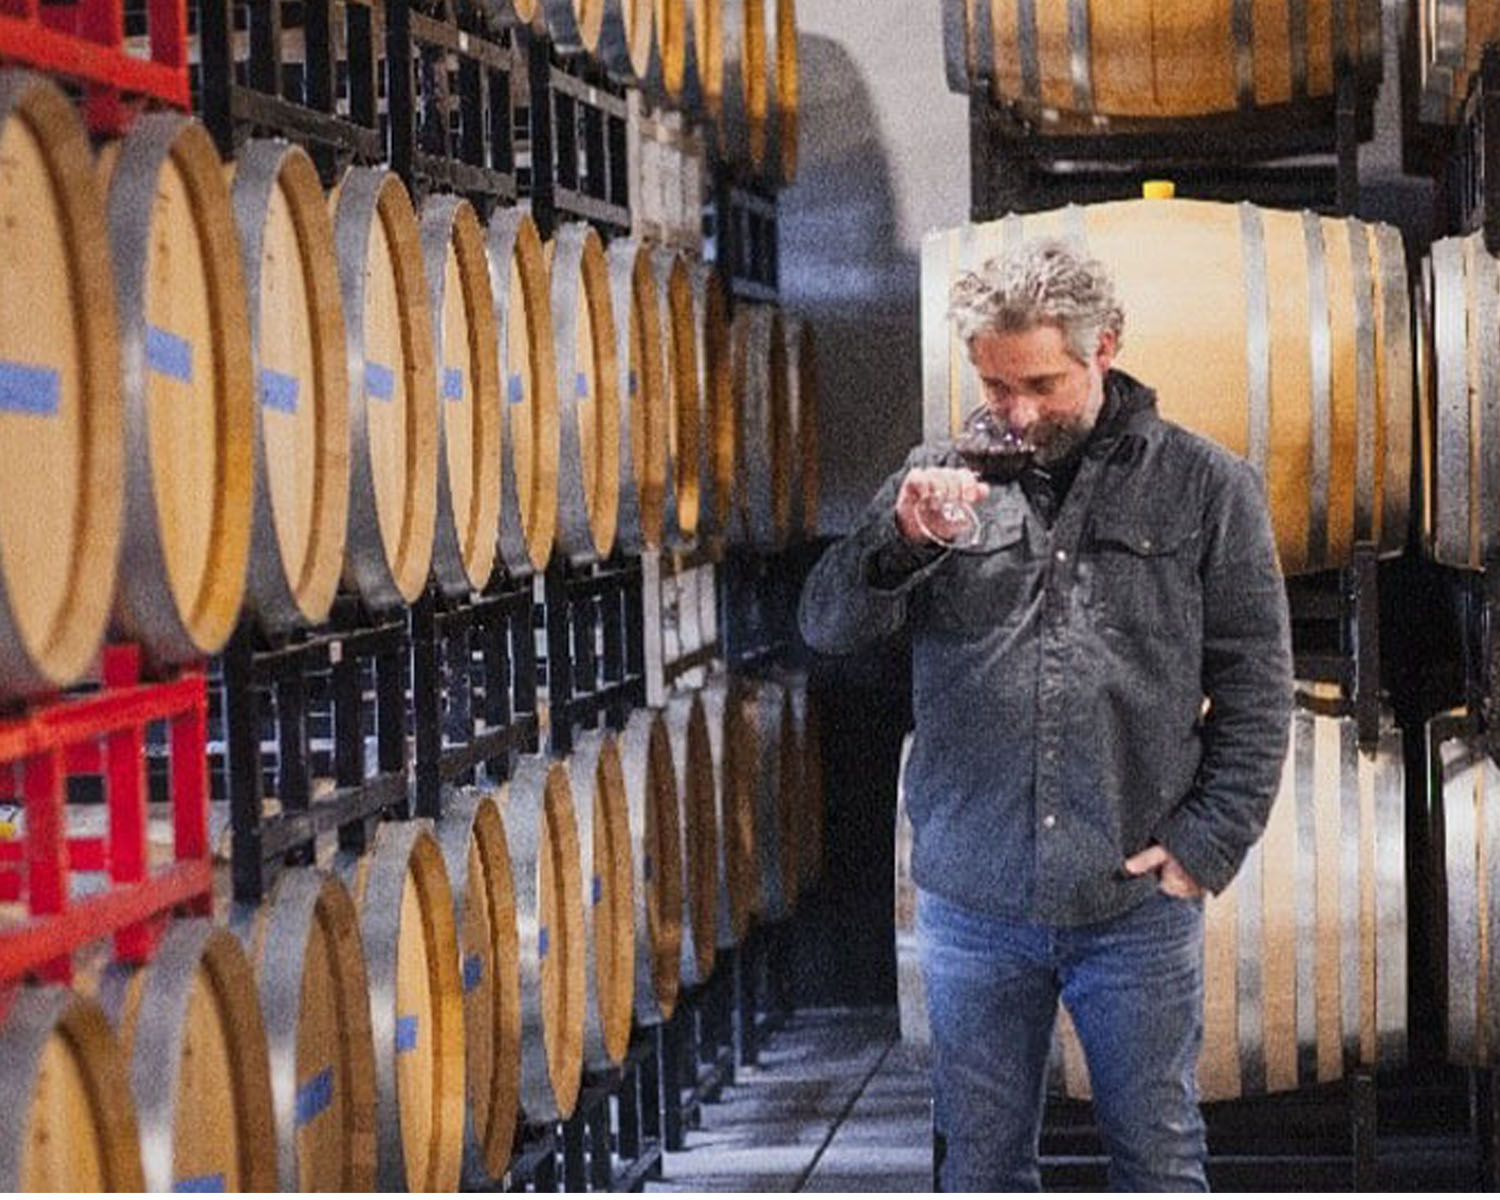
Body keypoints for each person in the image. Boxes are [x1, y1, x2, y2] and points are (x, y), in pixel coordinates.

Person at [798, 238, 1293, 1191]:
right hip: (973, 903)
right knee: (979, 1168)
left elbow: (1257, 685)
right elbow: (828, 624)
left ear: (1103, 347)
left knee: (1157, 1159)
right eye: (994, 385)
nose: (1015, 413)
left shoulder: (1205, 486)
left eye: (1040, 383)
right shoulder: (937, 478)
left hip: (1131, 903)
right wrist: (901, 541)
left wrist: (1208, 841)